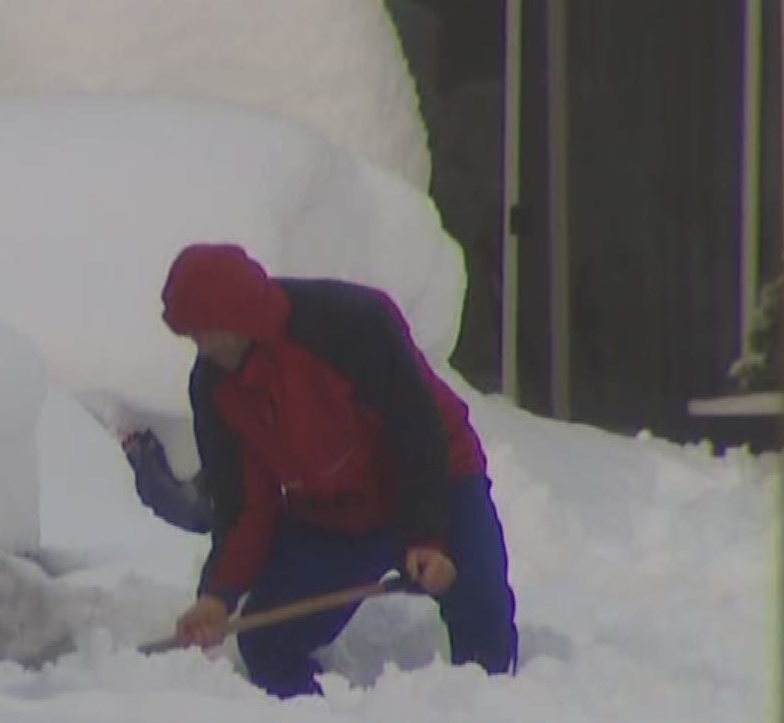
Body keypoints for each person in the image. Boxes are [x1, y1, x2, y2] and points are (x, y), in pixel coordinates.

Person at [158, 242, 519, 698]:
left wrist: (426, 537)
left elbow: (416, 431)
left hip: (439, 479)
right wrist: (218, 595)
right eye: (193, 335)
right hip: (336, 514)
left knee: (481, 609)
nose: (202, 347)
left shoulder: (349, 325)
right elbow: (246, 503)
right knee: (266, 642)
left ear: (240, 316)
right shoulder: (215, 386)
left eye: (207, 331)